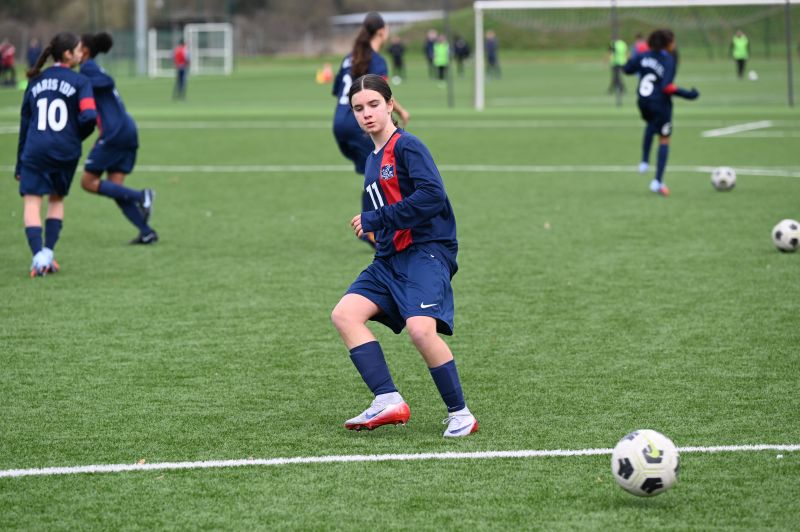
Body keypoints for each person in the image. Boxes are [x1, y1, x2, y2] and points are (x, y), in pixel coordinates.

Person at [331, 74, 478, 438]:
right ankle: (387, 399)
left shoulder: (407, 146)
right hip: (389, 260)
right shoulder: (372, 159)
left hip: (426, 252)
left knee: (420, 330)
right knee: (345, 315)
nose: (366, 113)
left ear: (390, 104)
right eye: (358, 108)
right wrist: (377, 231)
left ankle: (461, 414)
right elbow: (383, 213)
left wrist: (376, 219)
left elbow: (432, 196)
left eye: (373, 105)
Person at [15, 32, 96, 276]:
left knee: (32, 201)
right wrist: (74, 136)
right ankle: (48, 253)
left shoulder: (35, 81)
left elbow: (25, 125)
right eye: (78, 50)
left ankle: (38, 257)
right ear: (68, 54)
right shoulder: (81, 82)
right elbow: (90, 116)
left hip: (35, 149)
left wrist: (19, 163)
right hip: (65, 151)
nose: (81, 54)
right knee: (56, 199)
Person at [331, 11, 410, 247]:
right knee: (380, 172)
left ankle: (378, 227)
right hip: (359, 125)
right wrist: (401, 111)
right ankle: (373, 230)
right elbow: (381, 95)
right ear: (382, 32)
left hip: (340, 122)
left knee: (375, 171)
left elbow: (338, 91)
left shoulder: (350, 57)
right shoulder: (377, 61)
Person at [79, 32, 157, 245]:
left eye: (77, 46)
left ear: (84, 50)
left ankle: (142, 196)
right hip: (126, 129)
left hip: (114, 132)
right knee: (116, 188)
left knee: (87, 182)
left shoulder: (87, 68)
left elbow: (106, 82)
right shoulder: (93, 69)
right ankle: (146, 232)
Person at [624, 29, 699, 196]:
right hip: (660, 103)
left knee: (651, 124)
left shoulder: (643, 55)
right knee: (664, 138)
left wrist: (632, 57)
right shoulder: (668, 59)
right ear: (667, 43)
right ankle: (657, 181)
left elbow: (627, 69)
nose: (675, 44)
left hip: (643, 101)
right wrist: (689, 95)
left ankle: (644, 162)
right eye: (673, 41)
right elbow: (667, 87)